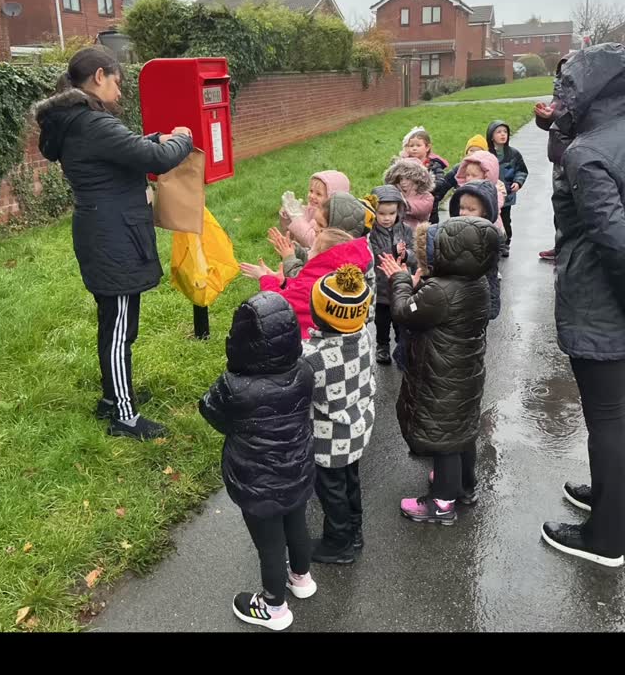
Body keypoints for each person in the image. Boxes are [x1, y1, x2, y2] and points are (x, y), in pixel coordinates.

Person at [33, 47, 193, 440]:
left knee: (114, 322)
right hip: (113, 237)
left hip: (103, 231)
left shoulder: (76, 120)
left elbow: (124, 149)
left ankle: (112, 397)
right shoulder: (92, 122)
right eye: (118, 83)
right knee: (120, 328)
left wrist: (155, 139)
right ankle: (124, 415)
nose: (120, 92)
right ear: (100, 76)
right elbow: (154, 158)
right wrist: (183, 140)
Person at [542, 42, 625, 568]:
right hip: (609, 303)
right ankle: (611, 497)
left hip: (601, 306)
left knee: (608, 421)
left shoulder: (587, 152)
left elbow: (614, 241)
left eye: (567, 88)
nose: (560, 99)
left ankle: (607, 537)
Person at [199, 292, 316, 630]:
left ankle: (273, 607)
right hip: (298, 468)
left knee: (270, 545)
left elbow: (211, 411)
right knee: (297, 524)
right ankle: (302, 578)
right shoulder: (305, 371)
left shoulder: (233, 386)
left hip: (257, 479)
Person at [379, 216, 498, 524]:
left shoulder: (440, 292)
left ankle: (442, 504)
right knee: (461, 431)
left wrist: (401, 280)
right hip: (465, 373)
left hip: (440, 374)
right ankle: (463, 485)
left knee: (444, 437)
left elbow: (404, 312)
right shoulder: (478, 283)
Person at [302, 265, 375, 564]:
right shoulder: (363, 336)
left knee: (331, 491)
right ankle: (355, 531)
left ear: (319, 313)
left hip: (328, 439)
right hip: (357, 428)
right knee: (350, 481)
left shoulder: (312, 357)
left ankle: (338, 544)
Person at [240, 228, 371, 339]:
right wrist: (284, 282)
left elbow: (277, 306)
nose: (308, 252)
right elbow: (300, 291)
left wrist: (265, 278)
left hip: (303, 344)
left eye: (312, 249)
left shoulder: (313, 285)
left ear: (322, 256)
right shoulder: (336, 280)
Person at [365, 186, 417, 365]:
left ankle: (402, 345)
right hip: (380, 287)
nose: (387, 218)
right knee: (382, 321)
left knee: (401, 320)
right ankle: (382, 346)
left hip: (401, 286)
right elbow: (370, 255)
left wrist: (406, 255)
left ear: (399, 211)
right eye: (381, 213)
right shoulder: (371, 233)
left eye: (392, 213)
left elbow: (415, 253)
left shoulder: (406, 230)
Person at [533, 52, 575, 261]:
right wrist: (543, 116)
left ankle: (572, 251)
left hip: (575, 158)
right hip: (558, 157)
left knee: (575, 207)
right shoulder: (559, 94)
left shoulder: (582, 95)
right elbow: (552, 124)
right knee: (560, 206)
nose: (563, 74)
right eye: (561, 70)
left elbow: (577, 122)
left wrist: (555, 115)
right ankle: (561, 246)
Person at [449, 180, 503, 320]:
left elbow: (490, 272)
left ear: (485, 212)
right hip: (456, 292)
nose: (464, 213)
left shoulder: (490, 236)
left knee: (478, 324)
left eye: (471, 209)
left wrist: (492, 302)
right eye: (461, 208)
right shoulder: (451, 231)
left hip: (480, 293)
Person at [486, 121, 529, 257]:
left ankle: (505, 243)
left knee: (505, 220)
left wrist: (518, 182)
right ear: (491, 136)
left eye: (505, 132)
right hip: (490, 194)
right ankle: (490, 243)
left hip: (507, 195)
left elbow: (521, 170)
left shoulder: (513, 154)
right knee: (490, 218)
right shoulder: (487, 154)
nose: (503, 134)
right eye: (498, 132)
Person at [279, 170, 350, 249]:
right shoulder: (308, 210)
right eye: (311, 191)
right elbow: (290, 235)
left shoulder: (331, 221)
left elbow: (313, 241)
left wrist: (296, 218)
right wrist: (288, 216)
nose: (312, 196)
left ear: (332, 198)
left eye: (318, 194)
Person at [398, 126, 449, 223]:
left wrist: (425, 186)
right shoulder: (404, 164)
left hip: (430, 205)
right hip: (409, 203)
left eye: (418, 145)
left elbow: (440, 181)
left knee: (430, 227)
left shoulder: (434, 165)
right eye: (411, 146)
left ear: (427, 147)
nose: (414, 148)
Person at [453, 150, 506, 232]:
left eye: (474, 175)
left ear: (486, 176)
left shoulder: (495, 192)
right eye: (467, 175)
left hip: (490, 229)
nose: (469, 178)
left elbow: (495, 207)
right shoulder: (463, 191)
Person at [383, 157, 435, 230]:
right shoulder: (394, 193)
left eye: (407, 178)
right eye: (401, 179)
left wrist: (403, 203)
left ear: (417, 179)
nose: (403, 182)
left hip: (416, 231)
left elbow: (422, 210)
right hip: (394, 230)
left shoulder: (426, 196)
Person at [435, 133, 489, 203]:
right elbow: (446, 183)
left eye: (478, 151)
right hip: (460, 202)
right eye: (471, 150)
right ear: (466, 153)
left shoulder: (486, 169)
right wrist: (436, 198)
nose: (474, 153)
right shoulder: (459, 168)